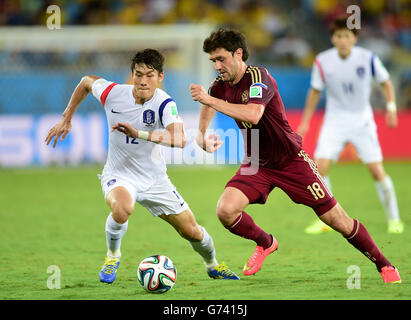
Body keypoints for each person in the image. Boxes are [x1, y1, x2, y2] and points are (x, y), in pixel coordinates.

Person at [189, 28, 401, 283]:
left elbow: (253, 114)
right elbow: (210, 99)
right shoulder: (219, 86)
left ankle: (384, 265)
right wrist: (202, 136)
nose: (217, 66)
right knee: (225, 211)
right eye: (213, 61)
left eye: (221, 59)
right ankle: (266, 243)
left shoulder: (259, 77)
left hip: (292, 161)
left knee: (337, 220)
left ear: (238, 54)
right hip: (257, 163)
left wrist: (208, 100)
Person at [45, 48, 239, 283]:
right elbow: (86, 82)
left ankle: (212, 265)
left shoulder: (164, 104)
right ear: (132, 74)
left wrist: (140, 133)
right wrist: (67, 118)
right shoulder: (113, 93)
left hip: (155, 180)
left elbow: (179, 139)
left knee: (192, 231)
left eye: (149, 75)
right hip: (119, 174)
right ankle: (113, 256)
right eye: (138, 74)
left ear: (161, 77)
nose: (143, 81)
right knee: (123, 208)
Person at [297, 16, 404, 235]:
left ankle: (394, 219)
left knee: (376, 171)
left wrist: (391, 108)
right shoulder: (322, 61)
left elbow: (386, 82)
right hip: (334, 122)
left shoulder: (368, 58)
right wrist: (306, 121)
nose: (343, 40)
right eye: (338, 36)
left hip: (362, 122)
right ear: (333, 39)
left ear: (354, 38)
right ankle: (326, 219)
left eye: (347, 36)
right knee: (319, 169)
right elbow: (315, 91)